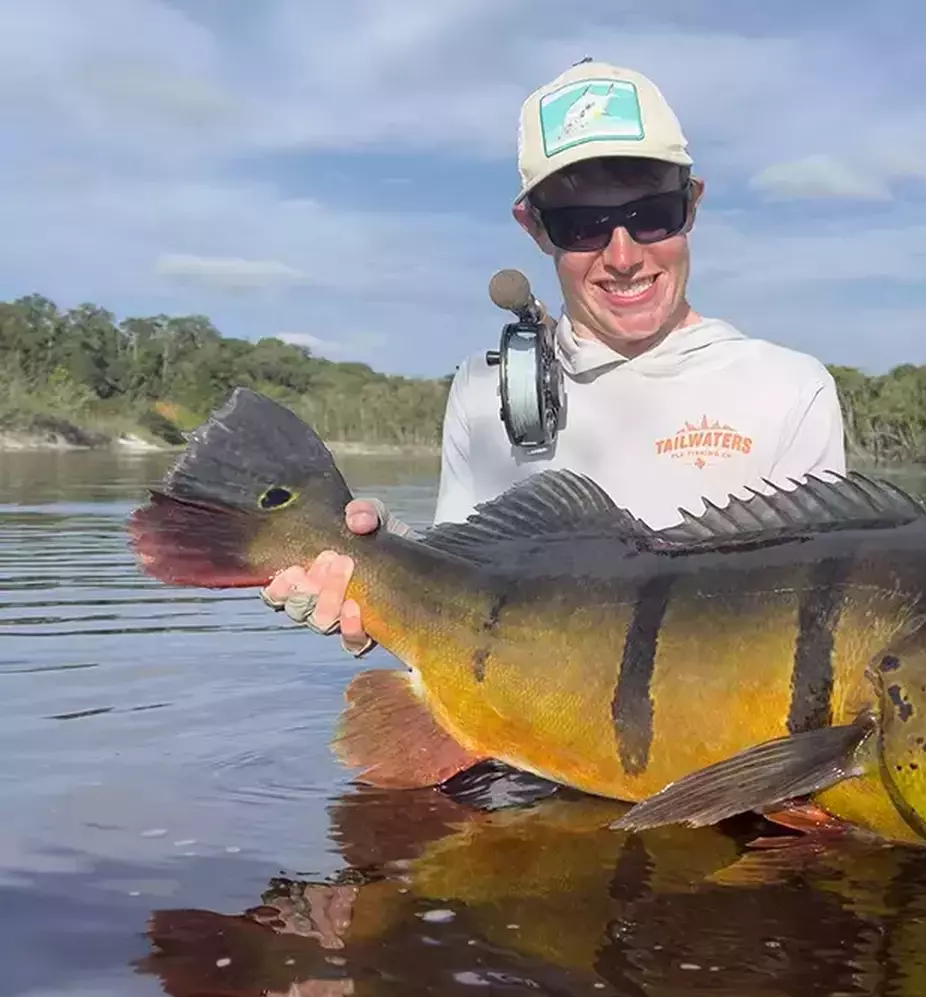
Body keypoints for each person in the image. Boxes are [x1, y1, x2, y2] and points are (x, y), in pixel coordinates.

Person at [261, 59, 848, 657]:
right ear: (534, 229)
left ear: (691, 205)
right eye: (581, 225)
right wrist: (384, 557)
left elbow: (817, 624)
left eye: (652, 216)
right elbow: (468, 594)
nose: (623, 256)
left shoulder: (789, 390)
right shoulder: (480, 390)